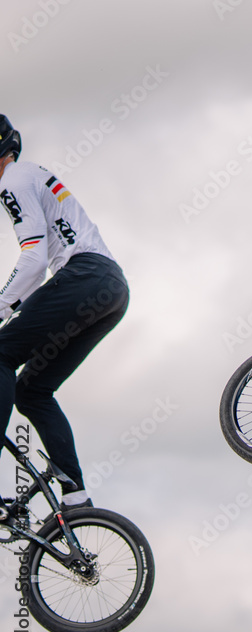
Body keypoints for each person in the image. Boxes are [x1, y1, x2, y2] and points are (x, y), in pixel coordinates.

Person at [0, 115, 129, 510]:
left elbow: (34, 259)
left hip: (84, 275)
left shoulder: (11, 181)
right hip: (111, 288)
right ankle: (76, 497)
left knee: (2, 353)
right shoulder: (29, 174)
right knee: (32, 391)